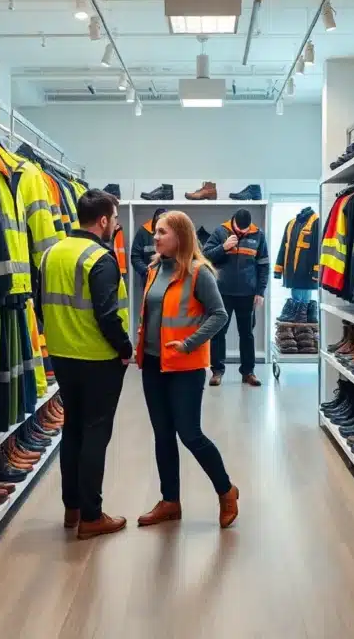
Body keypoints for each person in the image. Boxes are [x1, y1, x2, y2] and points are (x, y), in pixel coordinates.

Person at [135, 211, 239, 529]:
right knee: (163, 435)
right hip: (153, 364)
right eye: (156, 231)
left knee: (190, 434)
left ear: (180, 236)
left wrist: (189, 343)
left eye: (162, 232)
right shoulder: (154, 269)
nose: (155, 237)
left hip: (186, 366)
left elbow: (219, 314)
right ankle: (170, 501)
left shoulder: (198, 272)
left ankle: (226, 491)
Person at [40, 189, 132, 540]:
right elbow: (108, 316)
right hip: (97, 358)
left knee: (73, 430)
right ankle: (92, 517)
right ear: (103, 220)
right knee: (95, 433)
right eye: (115, 219)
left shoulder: (51, 253)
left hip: (62, 356)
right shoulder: (100, 259)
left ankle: (73, 508)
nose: (116, 225)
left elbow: (40, 304)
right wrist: (125, 348)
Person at [203, 208, 270, 387]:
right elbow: (204, 256)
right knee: (218, 332)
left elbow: (263, 265)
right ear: (233, 223)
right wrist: (223, 248)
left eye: (245, 230)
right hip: (222, 293)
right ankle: (217, 371)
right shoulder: (220, 231)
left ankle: (248, 372)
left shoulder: (258, 235)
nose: (242, 233)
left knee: (247, 334)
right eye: (239, 230)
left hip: (248, 294)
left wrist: (260, 291)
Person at [130, 207, 167, 286]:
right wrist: (147, 271)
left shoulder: (173, 233)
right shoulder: (143, 232)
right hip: (149, 281)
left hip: (169, 279)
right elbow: (135, 257)